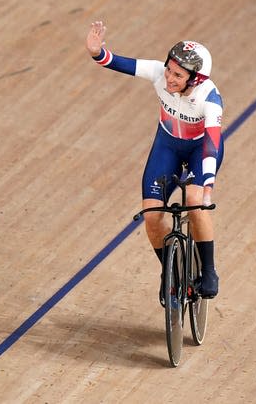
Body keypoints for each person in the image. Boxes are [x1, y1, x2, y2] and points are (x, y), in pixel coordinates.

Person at [85, 21, 225, 305]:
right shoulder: (160, 74)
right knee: (151, 217)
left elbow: (212, 143)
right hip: (168, 147)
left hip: (200, 151)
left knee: (195, 201)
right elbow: (121, 63)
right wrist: (98, 52)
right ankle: (170, 274)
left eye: (177, 75)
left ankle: (209, 271)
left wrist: (207, 185)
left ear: (195, 79)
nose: (169, 78)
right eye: (169, 70)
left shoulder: (209, 99)